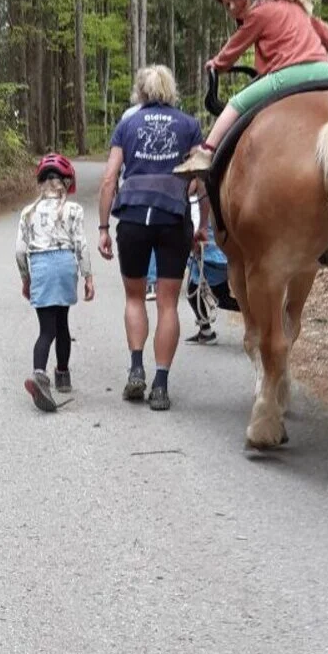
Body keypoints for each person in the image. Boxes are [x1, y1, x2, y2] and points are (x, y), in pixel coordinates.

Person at [176, 0, 328, 174]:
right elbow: (323, 30)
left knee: (236, 104)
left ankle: (205, 153)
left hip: (288, 75)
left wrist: (217, 64)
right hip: (324, 70)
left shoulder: (258, 14)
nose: (233, 7)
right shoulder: (295, 6)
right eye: (227, 4)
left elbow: (234, 47)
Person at [98, 64, 202, 411]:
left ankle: (136, 369)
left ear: (140, 92)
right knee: (167, 304)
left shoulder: (127, 124)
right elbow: (200, 177)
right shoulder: (188, 125)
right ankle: (160, 385)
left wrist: (103, 227)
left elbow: (109, 179)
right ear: (171, 90)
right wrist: (201, 222)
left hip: (132, 216)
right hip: (173, 216)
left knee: (134, 297)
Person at [15, 153, 95, 411]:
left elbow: (20, 251)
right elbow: (81, 244)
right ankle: (62, 375)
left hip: (40, 266)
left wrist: (26, 278)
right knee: (62, 323)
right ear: (66, 182)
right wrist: (88, 276)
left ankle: (39, 374)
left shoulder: (28, 213)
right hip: (65, 265)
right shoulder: (74, 210)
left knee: (46, 330)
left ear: (41, 183)